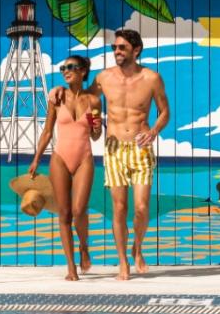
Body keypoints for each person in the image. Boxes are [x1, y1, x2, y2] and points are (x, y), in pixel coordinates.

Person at [52, 28, 169, 280]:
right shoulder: (104, 78)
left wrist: (155, 131)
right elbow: (81, 96)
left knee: (140, 207)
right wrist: (58, 91)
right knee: (119, 207)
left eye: (122, 48)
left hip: (141, 147)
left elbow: (164, 111)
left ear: (136, 50)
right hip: (114, 148)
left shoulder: (152, 78)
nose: (116, 52)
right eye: (115, 48)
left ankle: (137, 247)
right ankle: (123, 262)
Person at [29, 55, 102, 280]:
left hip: (84, 158)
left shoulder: (93, 101)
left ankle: (84, 246)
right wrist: (36, 158)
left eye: (70, 67)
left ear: (83, 71)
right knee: (65, 213)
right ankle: (71, 267)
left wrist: (96, 125)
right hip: (59, 157)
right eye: (63, 68)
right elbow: (48, 131)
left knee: (80, 210)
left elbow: (96, 136)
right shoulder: (57, 97)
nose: (65, 71)